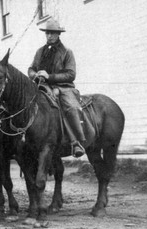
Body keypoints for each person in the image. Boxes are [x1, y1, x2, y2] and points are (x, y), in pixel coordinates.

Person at [28, 18, 86, 158]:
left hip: (63, 88)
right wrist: (35, 75)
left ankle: (76, 142)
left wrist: (50, 77)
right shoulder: (40, 52)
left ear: (58, 34)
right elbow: (31, 69)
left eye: (53, 33)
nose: (49, 36)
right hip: (42, 87)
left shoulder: (67, 52)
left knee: (70, 108)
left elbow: (71, 74)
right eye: (47, 33)